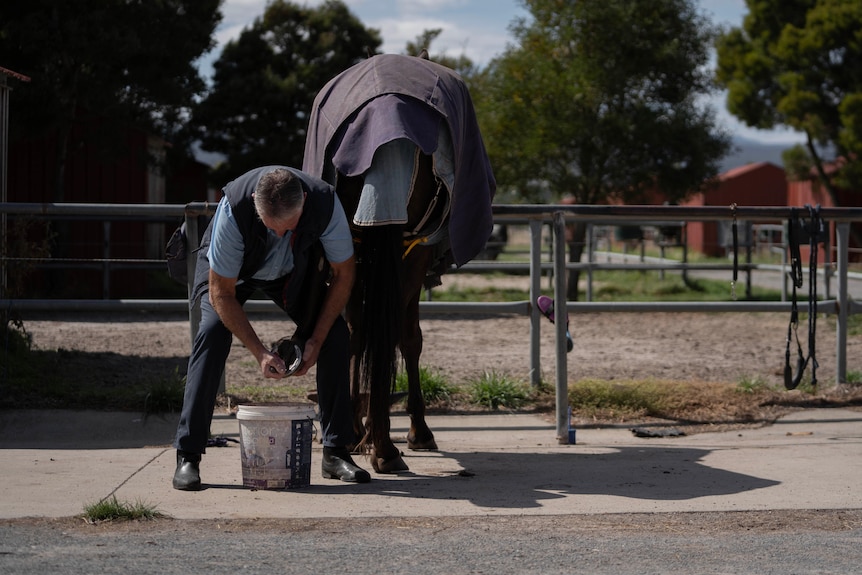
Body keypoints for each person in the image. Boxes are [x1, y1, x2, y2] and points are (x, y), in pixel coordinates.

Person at [172, 166, 370, 490]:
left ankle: (336, 452)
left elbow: (344, 275)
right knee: (211, 333)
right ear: (254, 202)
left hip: (290, 273)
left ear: (303, 202)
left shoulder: (325, 204)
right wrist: (260, 353)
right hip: (231, 274)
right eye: (270, 227)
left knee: (335, 335)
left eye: (287, 228)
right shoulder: (233, 209)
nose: (278, 234)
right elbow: (221, 293)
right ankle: (188, 455)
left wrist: (315, 340)